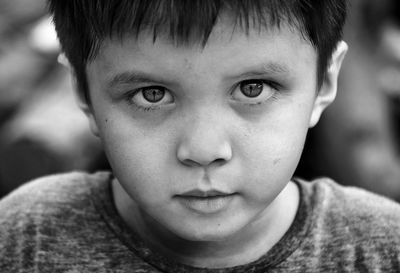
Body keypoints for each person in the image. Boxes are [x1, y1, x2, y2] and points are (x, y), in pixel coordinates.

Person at [1, 0, 400, 272]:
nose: (205, 151)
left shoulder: (381, 247)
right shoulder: (26, 236)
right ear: (83, 94)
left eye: (253, 89)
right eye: (151, 94)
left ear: (325, 82)